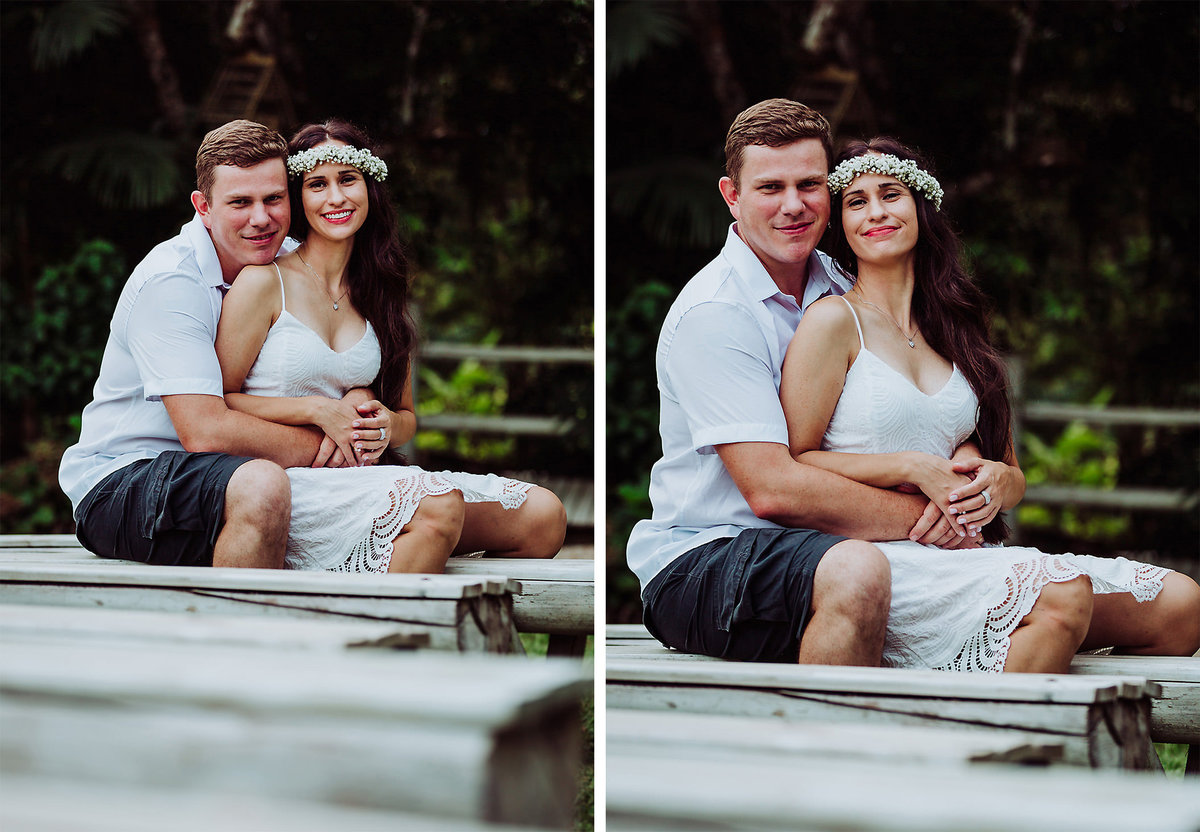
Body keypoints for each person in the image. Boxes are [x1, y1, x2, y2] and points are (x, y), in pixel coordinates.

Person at [779, 136, 1200, 671]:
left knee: (1182, 606)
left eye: (891, 194)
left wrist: (999, 482)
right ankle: (973, 740)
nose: (876, 212)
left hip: (964, 555)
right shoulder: (833, 321)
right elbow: (797, 461)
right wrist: (910, 467)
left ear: (922, 207)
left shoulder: (957, 329)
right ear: (840, 225)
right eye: (857, 202)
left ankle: (1041, 700)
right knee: (1062, 596)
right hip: (879, 562)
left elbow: (1012, 475)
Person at [627, 100, 987, 666]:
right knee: (857, 568)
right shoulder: (715, 312)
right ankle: (821, 749)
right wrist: (938, 519)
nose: (793, 206)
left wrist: (964, 464)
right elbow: (774, 491)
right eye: (770, 187)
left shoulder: (845, 284)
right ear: (732, 196)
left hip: (834, 540)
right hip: (707, 555)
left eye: (810, 185)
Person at [214, 119, 566, 573]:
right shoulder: (264, 282)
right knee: (439, 508)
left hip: (366, 475)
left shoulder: (382, 291)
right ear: (299, 198)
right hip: (287, 482)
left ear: (370, 188)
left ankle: (397, 565)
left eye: (348, 180)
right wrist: (317, 410)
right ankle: (369, 628)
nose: (335, 198)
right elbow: (220, 400)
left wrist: (381, 426)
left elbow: (406, 419)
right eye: (317, 184)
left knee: (543, 517)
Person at [60, 120, 339, 569]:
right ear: (203, 207)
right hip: (125, 478)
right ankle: (234, 636)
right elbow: (205, 432)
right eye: (240, 202)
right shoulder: (172, 280)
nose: (261, 218)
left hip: (234, 467)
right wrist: (331, 451)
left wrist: (361, 409)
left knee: (419, 501)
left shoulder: (291, 261)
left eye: (273, 198)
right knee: (261, 486)